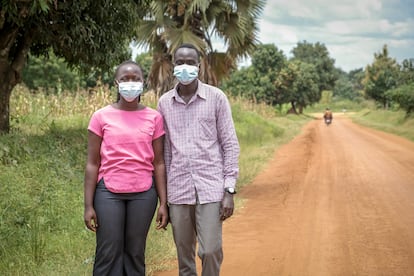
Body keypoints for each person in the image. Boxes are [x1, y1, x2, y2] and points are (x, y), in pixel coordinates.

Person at [157, 43, 240, 276]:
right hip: (178, 190)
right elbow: (164, 154)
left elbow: (230, 144)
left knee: (211, 250)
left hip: (211, 188)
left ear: (199, 65)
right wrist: (163, 201)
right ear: (173, 66)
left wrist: (229, 190)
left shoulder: (216, 98)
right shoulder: (164, 103)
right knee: (184, 256)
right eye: (180, 62)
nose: (185, 67)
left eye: (190, 62)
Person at [83, 60, 168, 275]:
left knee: (135, 252)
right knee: (108, 251)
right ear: (116, 83)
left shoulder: (154, 118)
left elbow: (158, 163)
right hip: (108, 193)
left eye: (135, 79)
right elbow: (92, 164)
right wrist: (88, 205)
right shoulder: (100, 117)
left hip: (144, 194)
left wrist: (164, 203)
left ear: (143, 82)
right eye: (125, 79)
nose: (130, 83)